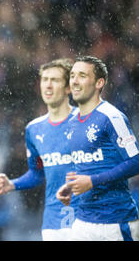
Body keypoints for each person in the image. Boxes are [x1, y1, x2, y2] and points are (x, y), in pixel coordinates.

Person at [0, 58, 79, 240]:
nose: (47, 85)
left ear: (68, 88)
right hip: (53, 222)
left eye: (54, 80)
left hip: (88, 218)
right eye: (44, 80)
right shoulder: (34, 129)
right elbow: (38, 173)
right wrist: (12, 184)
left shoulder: (86, 121)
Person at [56, 56, 139, 241]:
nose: (75, 81)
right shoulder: (71, 121)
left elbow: (136, 161)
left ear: (99, 83)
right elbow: (88, 164)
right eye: (72, 75)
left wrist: (93, 181)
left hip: (115, 222)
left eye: (82, 75)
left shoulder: (111, 117)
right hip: (82, 220)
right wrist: (71, 186)